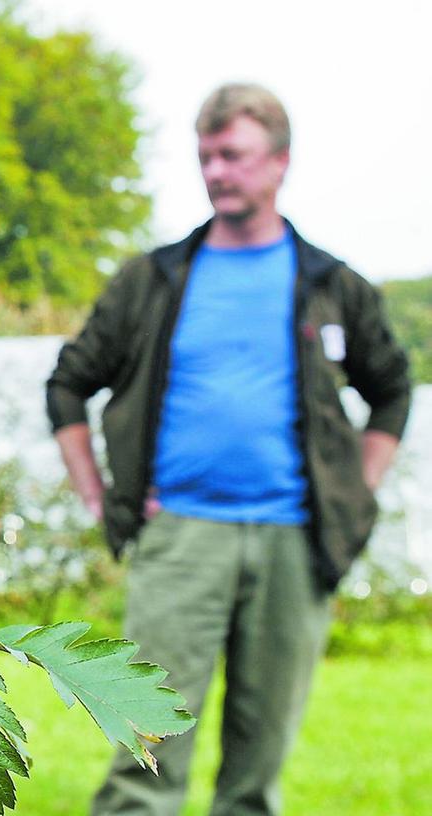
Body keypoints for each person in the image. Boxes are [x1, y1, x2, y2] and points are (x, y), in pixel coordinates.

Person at [46, 83, 411, 815]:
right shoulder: (153, 278)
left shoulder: (330, 284)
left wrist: (355, 492)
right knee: (143, 760)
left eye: (234, 156)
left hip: (293, 546)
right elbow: (67, 385)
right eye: (206, 156)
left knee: (255, 772)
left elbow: (392, 389)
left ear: (278, 163)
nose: (217, 172)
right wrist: (97, 494)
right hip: (178, 538)